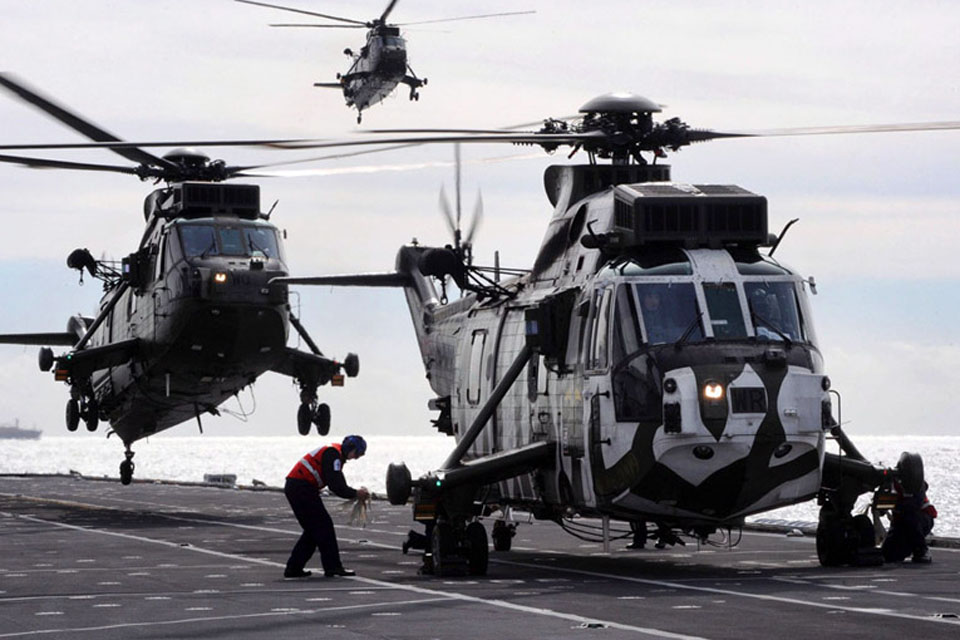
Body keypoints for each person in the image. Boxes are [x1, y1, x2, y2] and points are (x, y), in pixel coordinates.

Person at [283, 435, 370, 578]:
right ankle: (333, 567)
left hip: (299, 487)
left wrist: (353, 493)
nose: (355, 458)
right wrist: (356, 493)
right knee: (324, 527)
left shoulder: (334, 454)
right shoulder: (333, 455)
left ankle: (294, 568)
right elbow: (337, 486)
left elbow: (338, 483)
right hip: (301, 488)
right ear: (350, 448)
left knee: (314, 531)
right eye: (357, 454)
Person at [881, 456, 937, 564]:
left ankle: (921, 550)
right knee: (888, 554)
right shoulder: (892, 484)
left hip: (920, 520)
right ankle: (906, 548)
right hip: (900, 523)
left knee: (910, 518)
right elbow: (882, 510)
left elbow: (913, 506)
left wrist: (896, 504)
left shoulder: (917, 485)